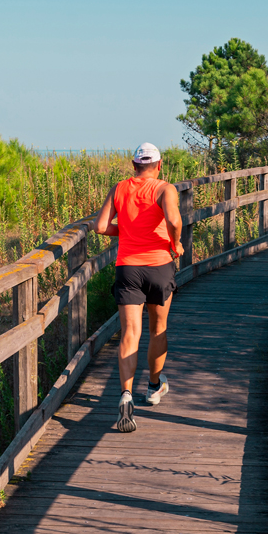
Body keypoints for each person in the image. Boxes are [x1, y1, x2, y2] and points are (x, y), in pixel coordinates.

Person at [93, 142, 184, 432]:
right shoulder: (164, 188)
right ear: (159, 165)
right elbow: (173, 219)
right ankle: (154, 387)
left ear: (134, 166)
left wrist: (129, 230)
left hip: (128, 267)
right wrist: (176, 243)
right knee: (158, 329)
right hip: (158, 265)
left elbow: (101, 226)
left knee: (130, 332)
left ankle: (126, 393)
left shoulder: (119, 188)